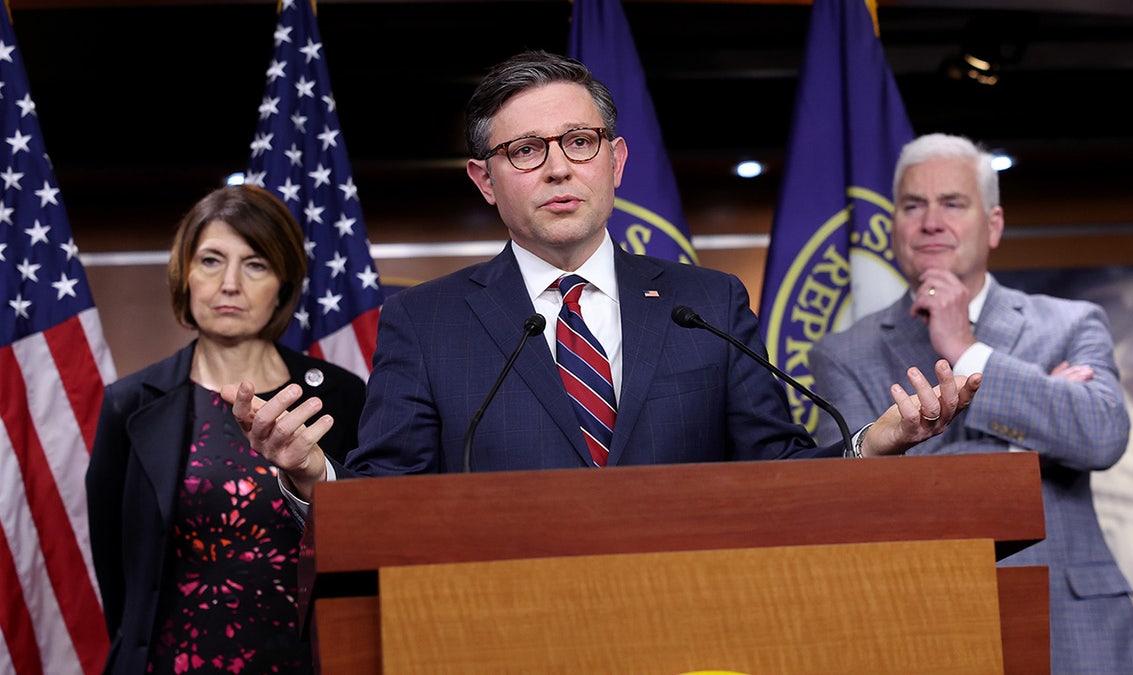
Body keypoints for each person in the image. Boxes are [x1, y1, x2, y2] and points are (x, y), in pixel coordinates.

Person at [226, 50, 978, 507]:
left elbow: (774, 474)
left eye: (579, 141)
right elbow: (386, 501)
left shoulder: (707, 303)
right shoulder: (426, 322)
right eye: (525, 151)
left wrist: (871, 443)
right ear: (485, 181)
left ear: (615, 162)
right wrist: (310, 470)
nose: (558, 166)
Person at [810, 132, 1133, 673]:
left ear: (993, 224)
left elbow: (1102, 435)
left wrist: (968, 352)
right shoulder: (842, 353)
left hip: (1074, 628)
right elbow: (868, 502)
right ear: (895, 227)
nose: (931, 222)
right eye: (912, 206)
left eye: (952, 203)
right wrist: (1034, 441)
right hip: (929, 626)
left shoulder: (1071, 323)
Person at [86, 185, 366, 675]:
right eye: (211, 260)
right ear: (185, 275)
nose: (229, 283)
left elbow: (372, 537)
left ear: (282, 283)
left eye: (255, 264)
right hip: (171, 663)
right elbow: (117, 571)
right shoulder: (129, 403)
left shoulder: (340, 396)